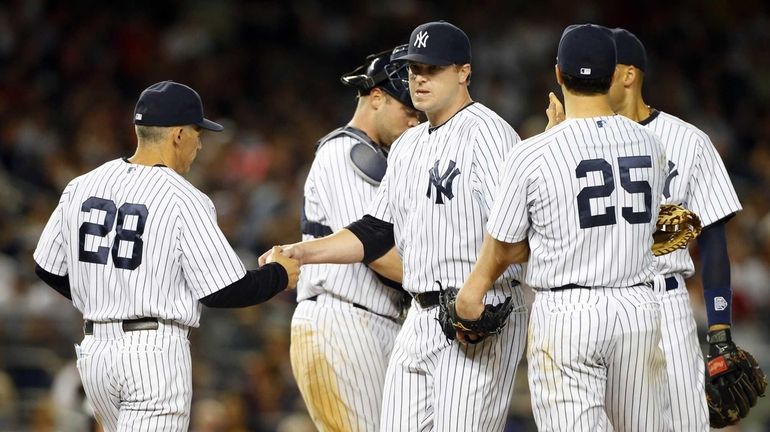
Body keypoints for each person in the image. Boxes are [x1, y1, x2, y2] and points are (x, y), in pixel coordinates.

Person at [262, 21, 527, 432]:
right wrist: (302, 251)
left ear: (463, 72)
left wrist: (475, 288)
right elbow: (373, 231)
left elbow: (515, 232)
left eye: (432, 68)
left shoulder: (489, 133)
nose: (419, 78)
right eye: (413, 68)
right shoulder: (408, 145)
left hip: (476, 312)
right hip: (419, 318)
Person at [33, 80, 299, 432]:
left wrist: (104, 296)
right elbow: (224, 290)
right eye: (197, 132)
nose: (200, 143)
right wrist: (279, 275)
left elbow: (47, 267)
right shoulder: (184, 198)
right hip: (152, 355)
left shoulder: (81, 185)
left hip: (95, 354)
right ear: (177, 135)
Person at [454, 24, 671, 430]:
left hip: (569, 314)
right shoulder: (651, 145)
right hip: (638, 308)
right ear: (612, 76)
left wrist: (473, 290)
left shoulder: (533, 153)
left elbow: (506, 247)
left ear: (558, 73)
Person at [606, 28, 741, 430]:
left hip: (666, 302)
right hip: (603, 300)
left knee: (686, 423)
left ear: (629, 76)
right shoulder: (576, 140)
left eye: (603, 69)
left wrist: (719, 330)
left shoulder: (688, 141)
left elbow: (714, 239)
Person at [290, 45, 420, 431]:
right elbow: (376, 251)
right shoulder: (344, 151)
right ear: (376, 97)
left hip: (371, 322)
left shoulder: (382, 157)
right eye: (407, 110)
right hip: (343, 320)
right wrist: (446, 285)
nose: (415, 122)